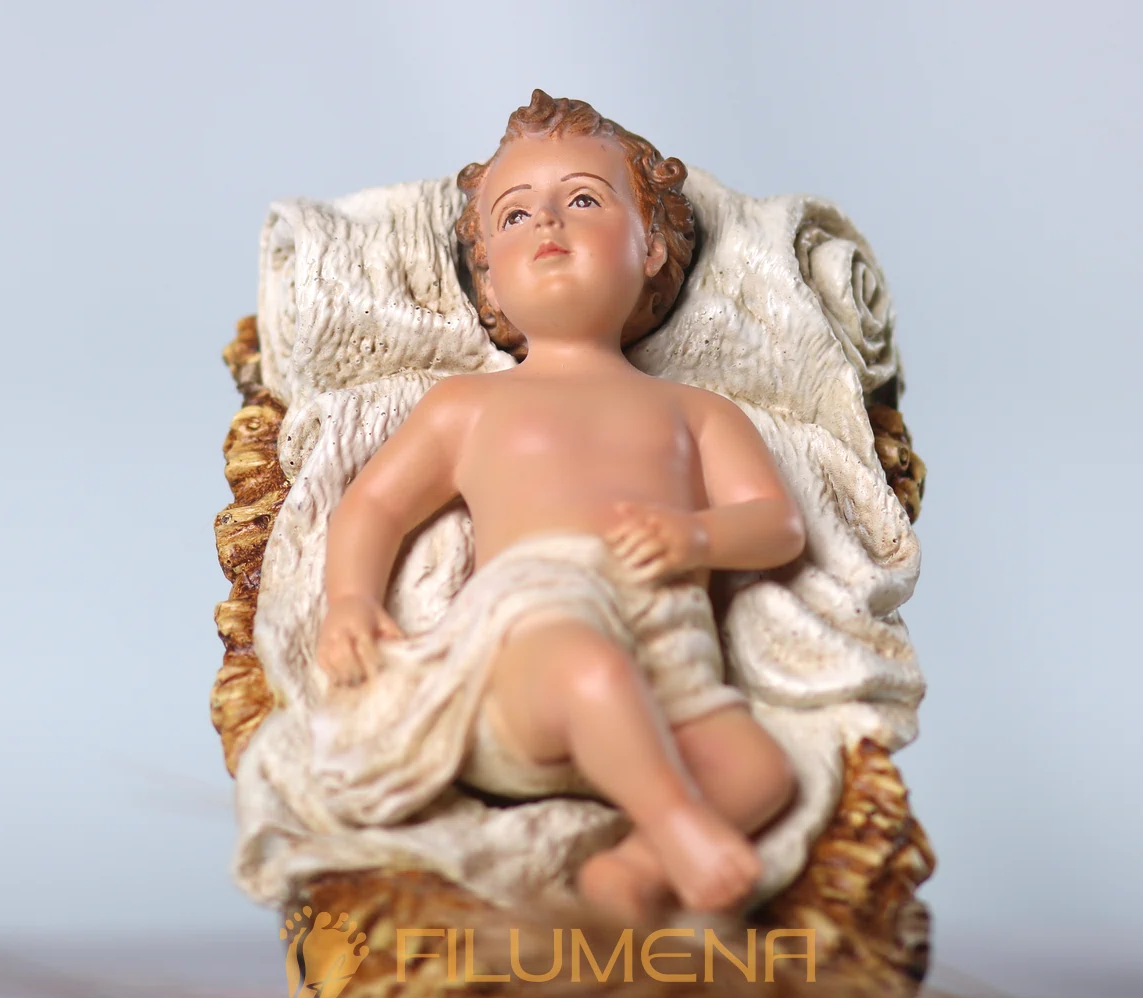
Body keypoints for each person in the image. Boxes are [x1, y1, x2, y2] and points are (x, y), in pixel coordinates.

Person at [313, 92, 803, 921]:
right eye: (514, 214)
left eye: (582, 199)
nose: (547, 221)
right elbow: (373, 507)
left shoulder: (694, 411)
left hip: (665, 655)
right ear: (489, 278)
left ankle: (634, 873)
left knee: (761, 770)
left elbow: (776, 524)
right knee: (589, 670)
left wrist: (696, 536)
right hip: (534, 656)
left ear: (651, 245)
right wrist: (349, 601)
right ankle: (677, 826)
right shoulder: (468, 406)